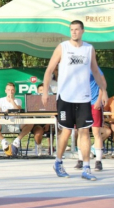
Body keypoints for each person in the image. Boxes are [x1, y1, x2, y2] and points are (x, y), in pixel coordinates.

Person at [42, 20, 107, 181]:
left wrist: (103, 90)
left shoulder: (88, 49)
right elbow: (50, 69)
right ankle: (58, 162)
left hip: (83, 97)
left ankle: (86, 168)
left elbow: (95, 71)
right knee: (67, 131)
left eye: (77, 29)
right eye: (71, 30)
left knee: (85, 131)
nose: (74, 32)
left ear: (82, 31)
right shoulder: (63, 47)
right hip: (65, 97)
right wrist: (45, 91)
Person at [73, 67, 107, 171]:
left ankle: (98, 161)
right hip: (81, 103)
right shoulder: (75, 69)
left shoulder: (94, 68)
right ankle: (80, 159)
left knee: (96, 132)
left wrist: (99, 99)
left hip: (93, 103)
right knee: (81, 132)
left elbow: (103, 83)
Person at [0, 82, 33, 155]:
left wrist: (12, 101)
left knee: (30, 123)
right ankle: (3, 141)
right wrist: (3, 113)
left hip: (16, 123)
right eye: (8, 90)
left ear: (14, 91)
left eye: (12, 90)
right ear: (5, 91)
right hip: (4, 123)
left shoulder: (18, 100)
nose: (10, 92)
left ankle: (17, 140)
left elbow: (18, 109)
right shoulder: (1, 100)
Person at [32, 84, 51, 156]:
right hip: (37, 123)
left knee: (60, 129)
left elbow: (54, 114)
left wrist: (48, 123)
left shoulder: (52, 100)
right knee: (38, 133)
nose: (42, 92)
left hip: (50, 123)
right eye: (40, 91)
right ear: (37, 91)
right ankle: (39, 149)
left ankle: (53, 149)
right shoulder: (32, 102)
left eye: (44, 91)